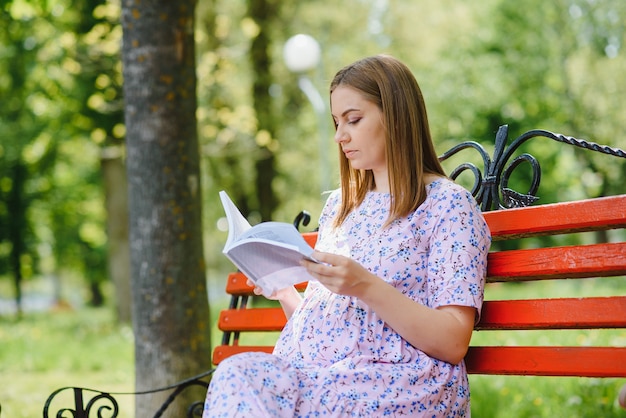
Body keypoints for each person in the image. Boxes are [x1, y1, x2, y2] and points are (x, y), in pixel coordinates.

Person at [203, 55, 491, 417]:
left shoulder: (447, 206)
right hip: (326, 378)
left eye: (354, 120)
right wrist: (284, 292)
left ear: (396, 116)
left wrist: (366, 285)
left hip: (398, 383)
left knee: (245, 383)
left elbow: (452, 342)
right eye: (337, 122)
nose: (340, 136)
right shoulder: (343, 206)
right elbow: (335, 330)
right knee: (236, 374)